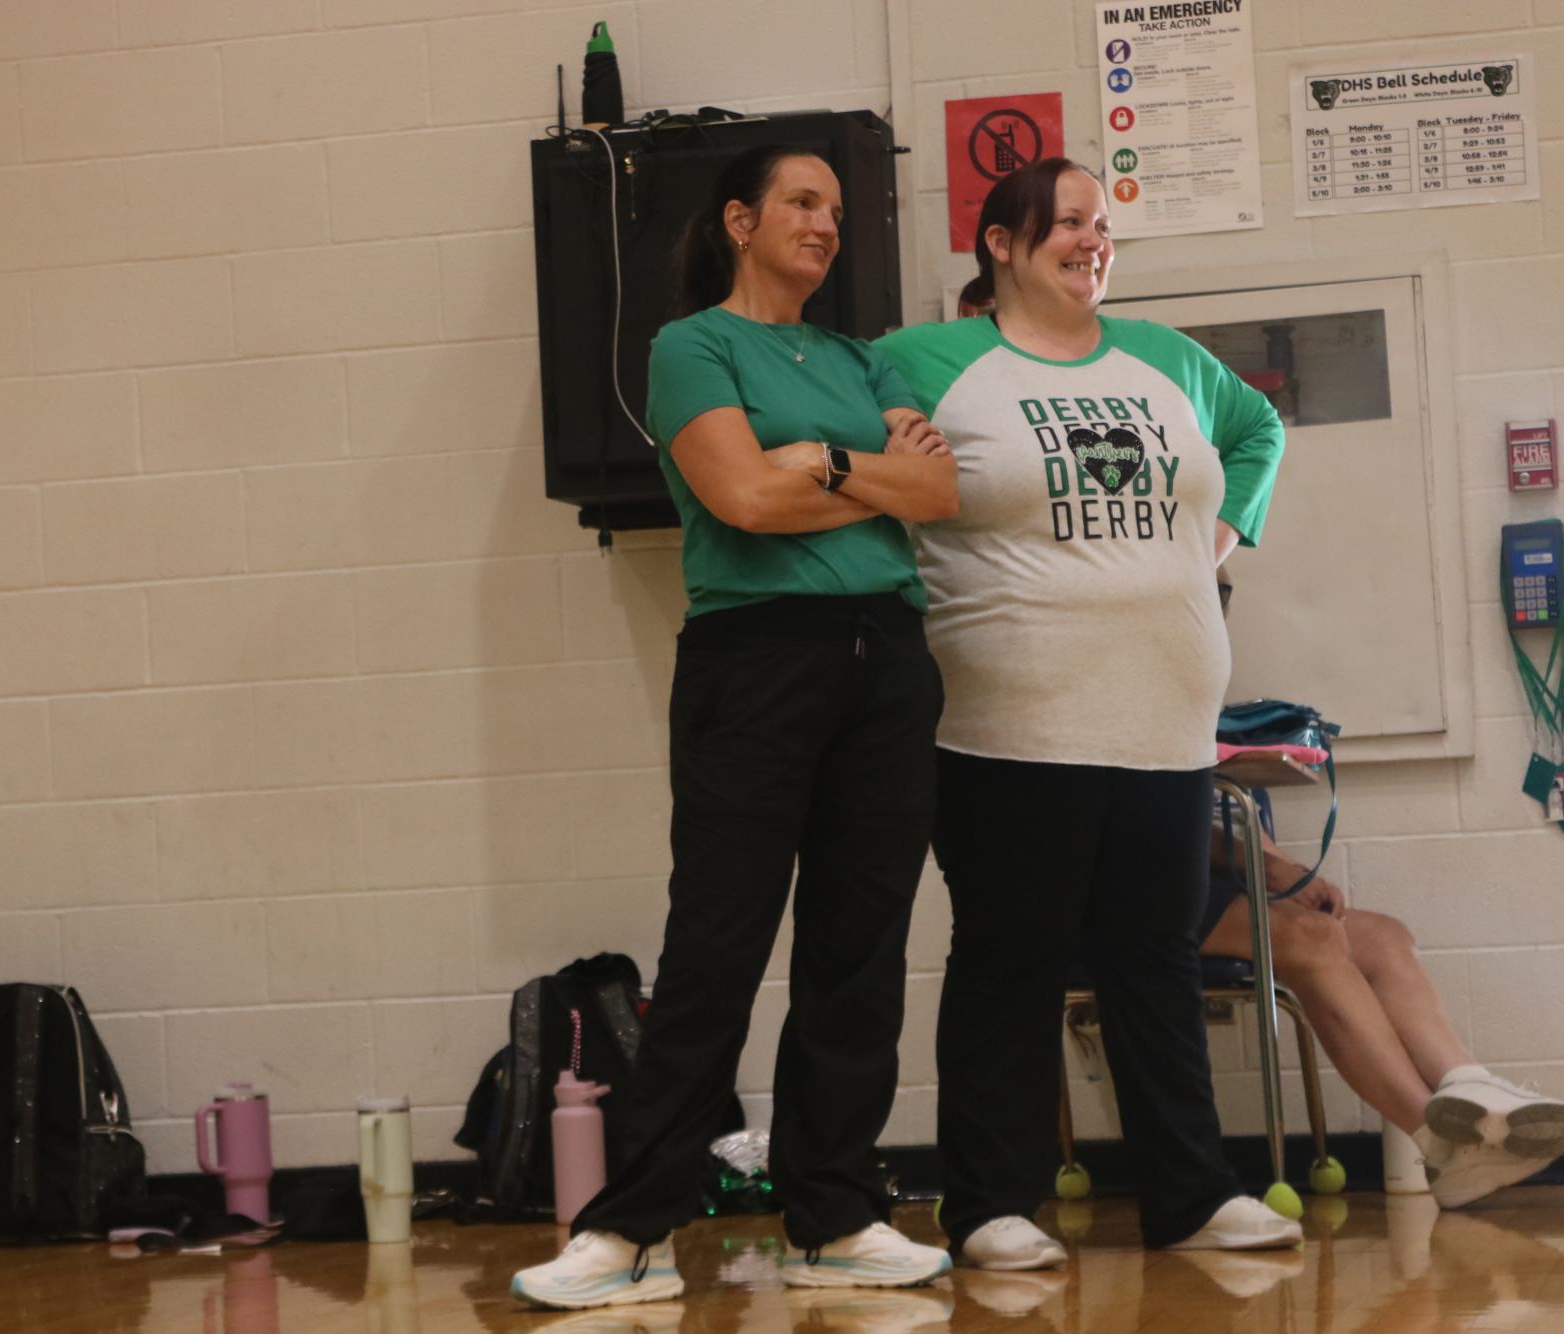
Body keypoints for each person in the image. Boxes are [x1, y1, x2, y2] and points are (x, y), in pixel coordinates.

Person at [511, 144, 960, 1310]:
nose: (826, 223)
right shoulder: (691, 346)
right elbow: (743, 499)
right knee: (717, 946)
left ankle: (837, 1212)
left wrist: (821, 456)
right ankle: (634, 1229)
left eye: (837, 209)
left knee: (856, 951)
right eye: (803, 203)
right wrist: (853, 471)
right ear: (739, 220)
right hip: (756, 660)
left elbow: (937, 494)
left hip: (888, 660)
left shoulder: (864, 357)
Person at [874, 157, 1299, 1270]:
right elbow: (860, 468)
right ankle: (987, 1203)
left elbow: (1260, 431)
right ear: (1001, 244)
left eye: (1102, 226)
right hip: (1009, 723)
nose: (1091, 241)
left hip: (1164, 719)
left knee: (1154, 959)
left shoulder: (1168, 360)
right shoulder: (926, 361)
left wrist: (1212, 546)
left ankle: (1191, 1193)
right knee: (1010, 958)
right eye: (1066, 222)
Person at [1199, 730, 1564, 1207]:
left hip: (1214, 878)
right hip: (1143, 898)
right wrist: (1261, 865)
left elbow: (1222, 810)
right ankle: (1443, 1145)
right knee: (1315, 939)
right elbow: (1159, 832)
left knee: (1385, 937)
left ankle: (1467, 1081)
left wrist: (1289, 873)